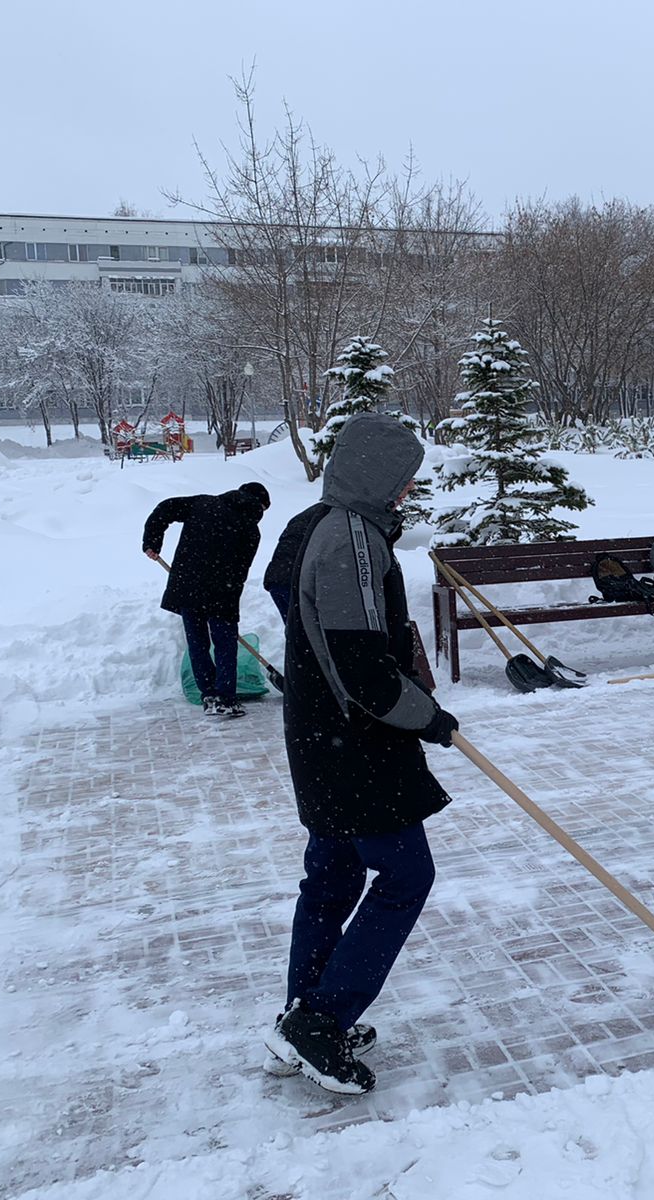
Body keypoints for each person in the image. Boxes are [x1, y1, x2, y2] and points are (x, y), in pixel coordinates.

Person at [263, 413, 459, 1096]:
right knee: (405, 876)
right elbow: (362, 665)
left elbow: (291, 601)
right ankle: (319, 1021)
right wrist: (425, 715)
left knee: (332, 880)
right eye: (404, 477)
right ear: (378, 474)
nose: (408, 489)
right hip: (356, 745)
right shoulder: (349, 538)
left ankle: (303, 1015)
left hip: (323, 737)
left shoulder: (314, 523)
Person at [141, 481, 271, 717]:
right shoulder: (251, 530)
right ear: (259, 505)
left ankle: (209, 695)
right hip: (222, 592)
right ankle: (226, 699)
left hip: (187, 587)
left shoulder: (203, 503)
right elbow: (242, 569)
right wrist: (230, 599)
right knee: (225, 645)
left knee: (198, 643)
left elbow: (165, 508)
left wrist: (152, 541)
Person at [261, 500, 326, 619]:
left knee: (294, 631)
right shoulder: (327, 517)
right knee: (307, 632)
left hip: (276, 578)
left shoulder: (304, 516)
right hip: (293, 581)